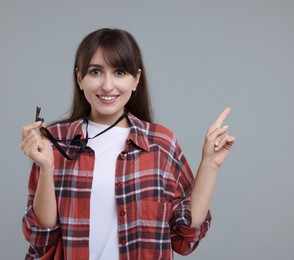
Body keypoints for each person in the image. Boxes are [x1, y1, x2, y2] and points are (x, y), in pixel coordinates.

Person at [20, 28, 235, 260]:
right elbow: (42, 238)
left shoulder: (160, 143)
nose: (107, 85)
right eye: (95, 72)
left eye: (120, 72)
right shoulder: (55, 141)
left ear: (136, 79)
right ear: (79, 78)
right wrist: (46, 167)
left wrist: (210, 165)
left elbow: (184, 237)